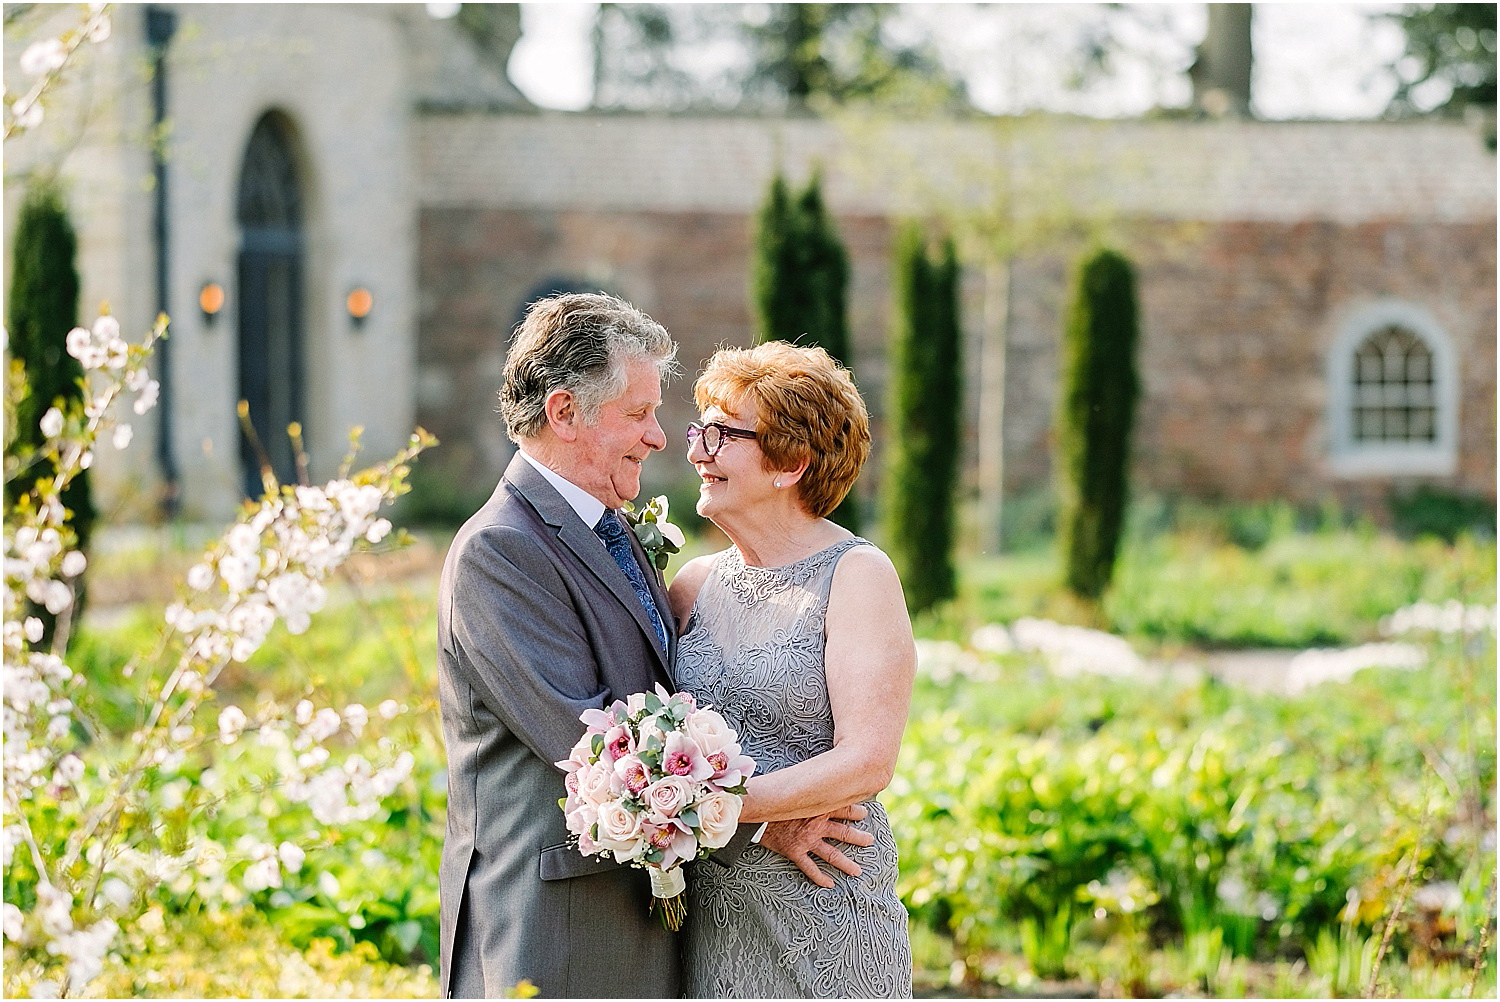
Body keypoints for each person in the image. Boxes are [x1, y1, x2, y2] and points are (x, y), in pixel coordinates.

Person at [437, 295, 870, 999]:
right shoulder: (500, 552)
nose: (662, 438)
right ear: (565, 412)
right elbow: (592, 746)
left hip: (646, 922)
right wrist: (755, 828)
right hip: (557, 931)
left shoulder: (610, 528)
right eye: (638, 414)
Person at [669, 341, 918, 998]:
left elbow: (867, 761)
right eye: (701, 431)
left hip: (825, 908)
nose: (697, 452)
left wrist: (713, 809)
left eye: (721, 435)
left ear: (791, 464)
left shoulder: (856, 577)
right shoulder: (692, 585)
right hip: (713, 920)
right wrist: (744, 826)